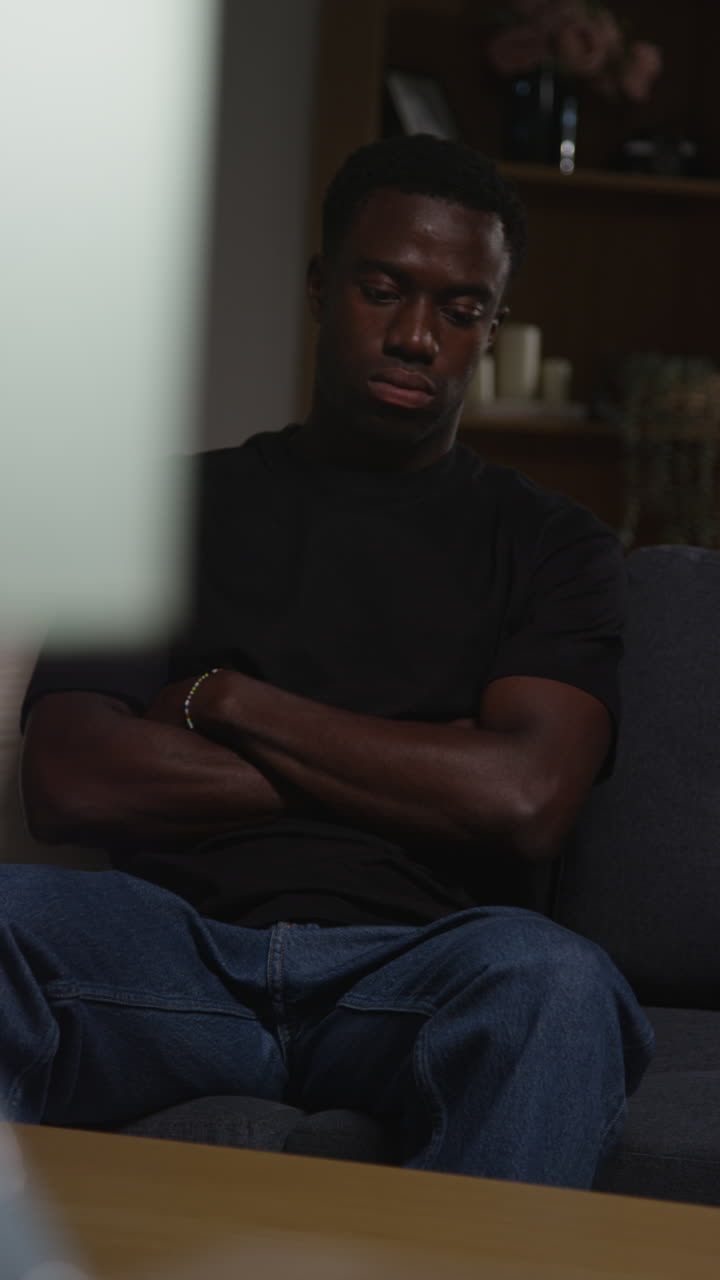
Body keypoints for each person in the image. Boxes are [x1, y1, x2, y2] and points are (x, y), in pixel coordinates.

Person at [4, 134, 653, 1188]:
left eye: (460, 308)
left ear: (489, 324)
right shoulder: (151, 506)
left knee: (559, 984)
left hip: (424, 961)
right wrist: (426, 763)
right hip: (175, 950)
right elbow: (70, 777)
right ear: (321, 287)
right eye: (384, 288)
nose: (415, 336)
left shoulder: (554, 544)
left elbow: (525, 795)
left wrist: (226, 697)